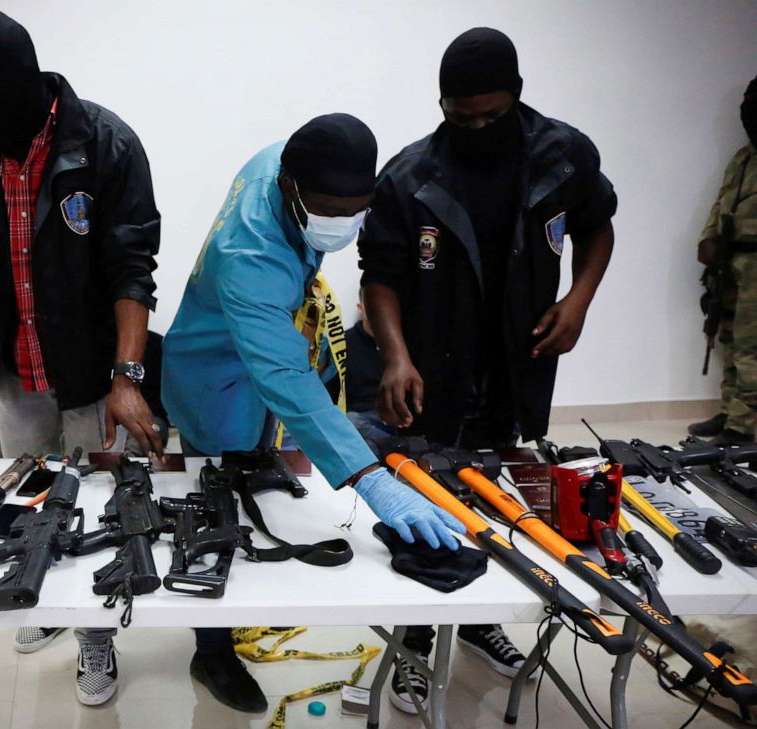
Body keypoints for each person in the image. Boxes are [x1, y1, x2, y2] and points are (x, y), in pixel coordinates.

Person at [162, 113, 466, 714]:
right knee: (215, 511)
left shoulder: (285, 158)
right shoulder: (248, 252)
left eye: (355, 209)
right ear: (291, 190)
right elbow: (282, 377)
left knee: (268, 497)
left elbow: (283, 365)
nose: (342, 223)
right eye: (328, 209)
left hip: (268, 337)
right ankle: (212, 649)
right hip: (216, 374)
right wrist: (372, 477)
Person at [0, 7, 162, 708]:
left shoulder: (105, 143)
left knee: (101, 507)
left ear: (17, 81)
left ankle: (95, 636)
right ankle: (43, 593)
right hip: (15, 377)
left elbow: (132, 267)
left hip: (91, 378)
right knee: (32, 498)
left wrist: (127, 376)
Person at [358, 28, 617, 713]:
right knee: (426, 507)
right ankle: (415, 640)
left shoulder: (564, 156)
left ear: (518, 97)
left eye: (491, 115)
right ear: (441, 103)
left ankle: (474, 619)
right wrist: (395, 354)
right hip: (431, 368)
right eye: (459, 113)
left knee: (496, 500)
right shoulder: (411, 175)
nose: (475, 126)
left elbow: (598, 224)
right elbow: (379, 274)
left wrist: (578, 300)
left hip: (516, 363)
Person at [690, 76, 757, 444]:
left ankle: (742, 427)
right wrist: (708, 240)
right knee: (730, 340)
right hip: (732, 264)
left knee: (750, 346)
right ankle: (732, 410)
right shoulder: (744, 157)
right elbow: (722, 203)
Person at [342, 291, 395, 444]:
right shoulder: (345, 343)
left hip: (401, 415)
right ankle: (393, 445)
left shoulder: (402, 343)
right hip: (363, 417)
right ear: (361, 307)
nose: (377, 310)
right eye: (371, 304)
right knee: (350, 420)